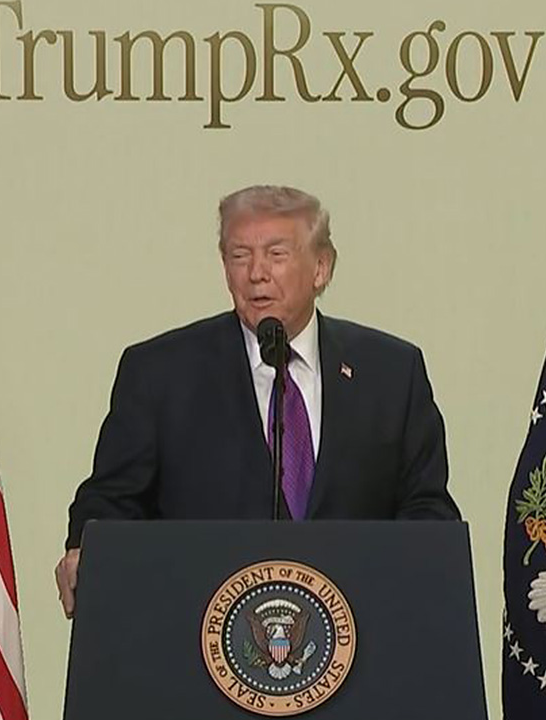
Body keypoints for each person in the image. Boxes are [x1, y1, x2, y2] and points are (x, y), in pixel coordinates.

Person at [54, 185, 460, 616]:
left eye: (276, 254)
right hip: (199, 627)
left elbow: (427, 509)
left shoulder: (391, 372)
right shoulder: (161, 373)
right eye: (239, 255)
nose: (256, 273)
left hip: (358, 627)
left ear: (321, 267)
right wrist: (87, 547)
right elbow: (112, 499)